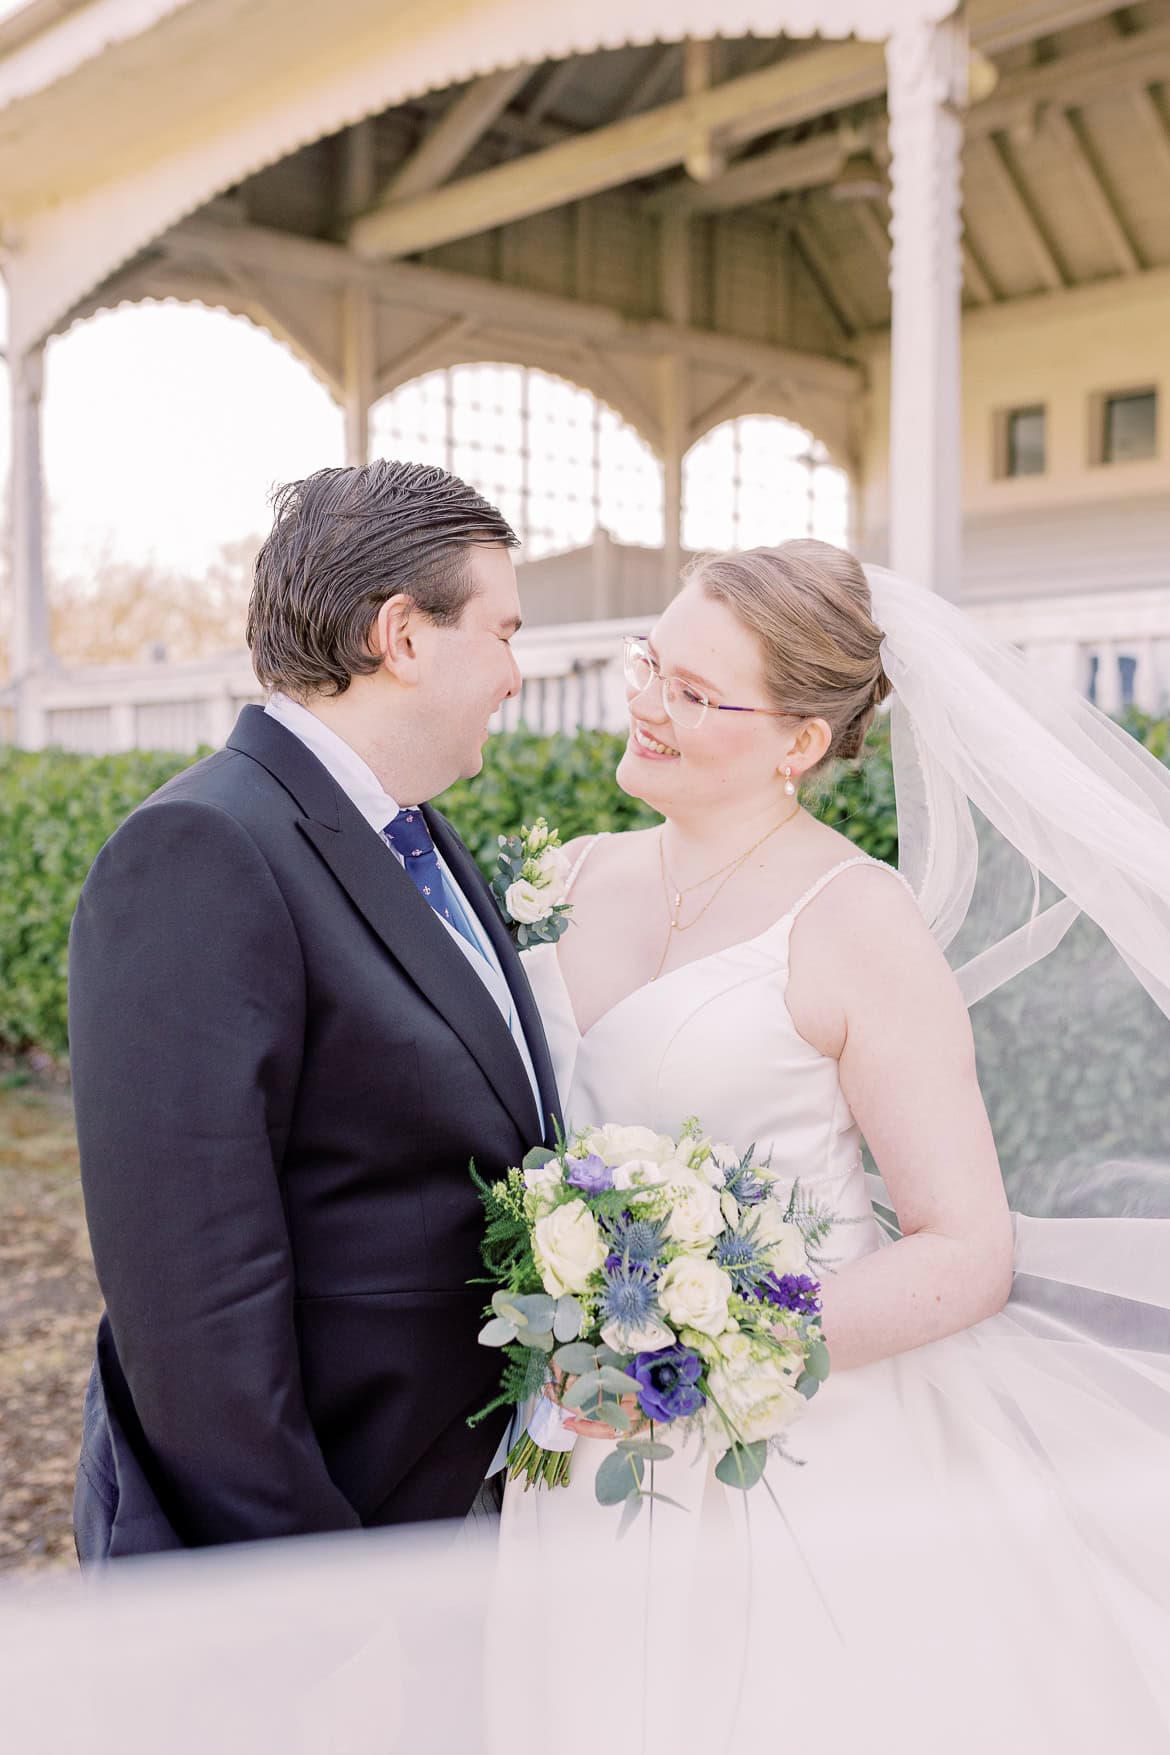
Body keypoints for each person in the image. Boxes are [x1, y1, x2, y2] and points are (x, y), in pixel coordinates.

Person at [503, 539, 1170, 1751]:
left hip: (793, 1460)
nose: (646, 703)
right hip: (574, 1436)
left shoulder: (857, 921)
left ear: (800, 741)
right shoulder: (560, 878)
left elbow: (965, 1248)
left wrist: (701, 1355)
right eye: (650, 662)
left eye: (694, 692)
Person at [70, 460, 560, 1559]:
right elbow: (194, 1309)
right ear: (403, 635)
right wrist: (318, 1597)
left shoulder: (419, 836)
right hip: (315, 1545)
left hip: (449, 1513)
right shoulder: (200, 850)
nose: (515, 675)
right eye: (503, 632)